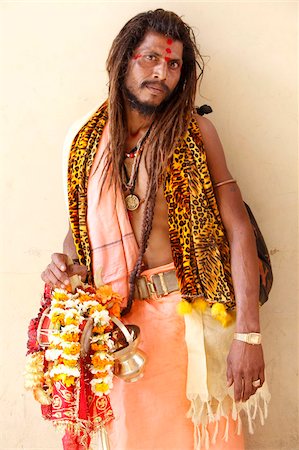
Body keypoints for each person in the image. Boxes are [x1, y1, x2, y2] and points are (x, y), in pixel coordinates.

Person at [41, 9, 270, 450]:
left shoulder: (196, 133)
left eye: (173, 64)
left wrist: (248, 335)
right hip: (114, 330)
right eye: (150, 58)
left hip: (184, 324)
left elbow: (238, 229)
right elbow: (82, 230)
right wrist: (64, 263)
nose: (161, 73)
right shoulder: (87, 141)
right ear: (124, 60)